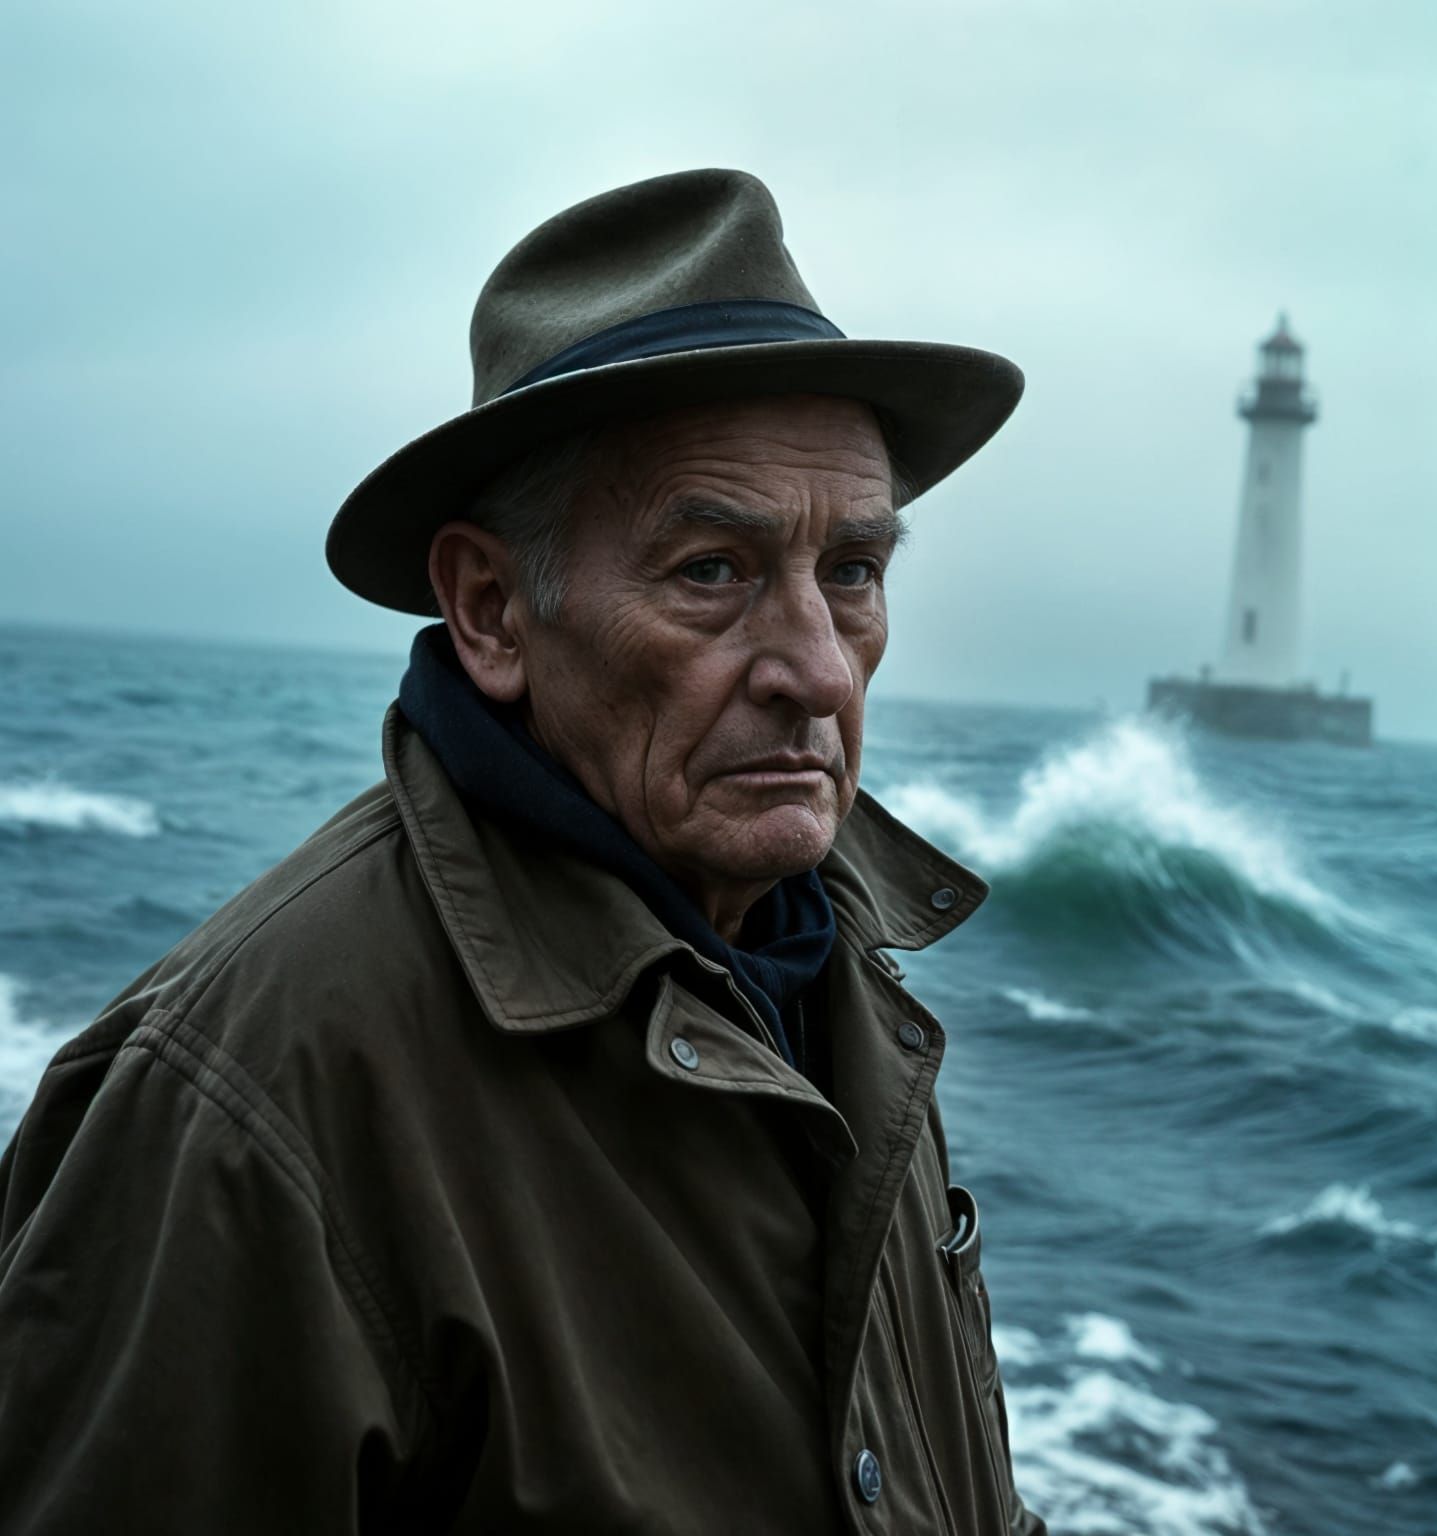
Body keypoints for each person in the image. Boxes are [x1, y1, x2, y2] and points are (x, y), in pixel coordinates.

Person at [0, 168, 1045, 1534]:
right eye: (713, 572)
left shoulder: (833, 967)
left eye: (851, 572)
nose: (814, 668)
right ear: (491, 610)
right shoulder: (252, 1096)